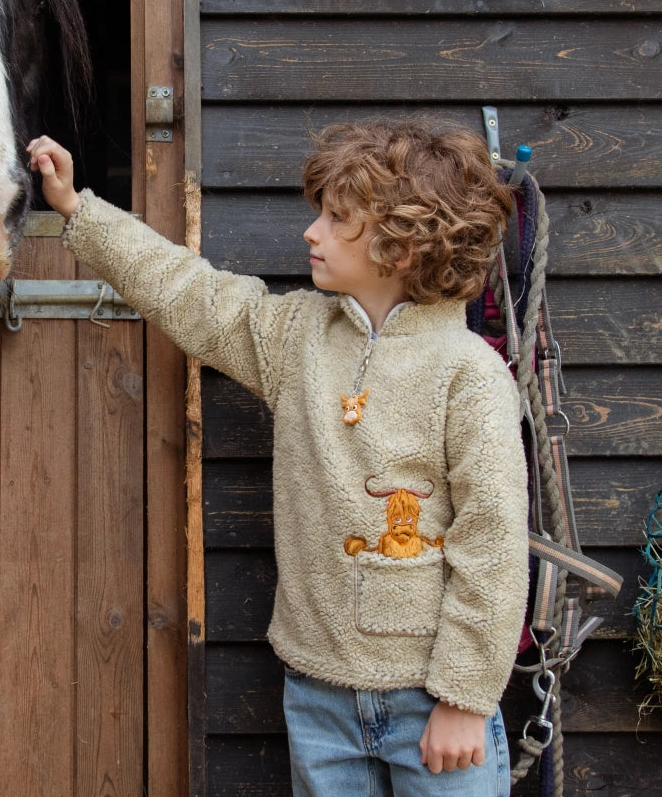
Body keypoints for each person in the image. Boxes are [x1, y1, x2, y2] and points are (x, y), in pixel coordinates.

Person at [28, 118, 529, 796]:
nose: (311, 233)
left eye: (335, 218)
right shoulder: (296, 336)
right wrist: (76, 209)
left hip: (434, 702)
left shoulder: (468, 373)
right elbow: (189, 294)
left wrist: (466, 699)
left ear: (402, 244)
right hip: (318, 693)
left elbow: (494, 541)